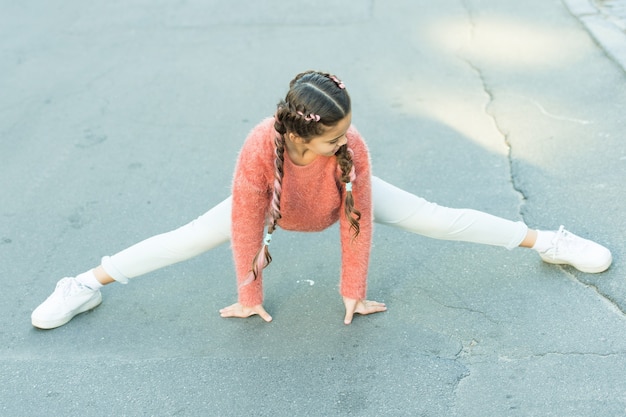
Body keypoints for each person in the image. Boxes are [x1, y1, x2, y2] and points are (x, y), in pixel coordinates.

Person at [31, 70, 612, 330]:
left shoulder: (349, 148)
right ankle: (82, 284)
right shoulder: (261, 147)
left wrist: (353, 293)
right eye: (334, 137)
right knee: (184, 239)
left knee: (436, 219)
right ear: (299, 136)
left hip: (337, 199)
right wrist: (247, 294)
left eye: (347, 132)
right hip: (271, 202)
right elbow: (244, 224)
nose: (348, 140)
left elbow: (356, 223)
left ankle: (548, 241)